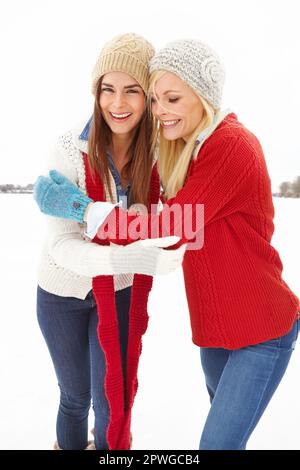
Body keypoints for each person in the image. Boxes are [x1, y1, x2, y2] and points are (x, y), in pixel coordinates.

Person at [35, 38, 300, 450]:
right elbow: (182, 232)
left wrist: (86, 211)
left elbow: (177, 227)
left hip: (260, 326)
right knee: (78, 399)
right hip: (217, 329)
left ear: (203, 96)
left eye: (170, 97)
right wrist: (133, 235)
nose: (160, 110)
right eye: (157, 98)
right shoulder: (189, 149)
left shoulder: (225, 146)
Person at [33, 33, 185, 451]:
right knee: (75, 397)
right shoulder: (69, 148)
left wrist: (162, 238)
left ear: (148, 97)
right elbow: (62, 243)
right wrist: (128, 249)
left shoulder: (161, 153)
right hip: (60, 292)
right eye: (108, 89)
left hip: (118, 293)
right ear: (96, 91)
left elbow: (181, 221)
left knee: (111, 402)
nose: (118, 104)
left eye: (132, 91)